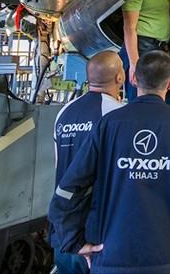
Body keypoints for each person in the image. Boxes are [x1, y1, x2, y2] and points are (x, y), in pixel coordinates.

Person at [48, 50, 170, 273]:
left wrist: (72, 240)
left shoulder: (108, 124)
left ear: (133, 79)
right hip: (167, 256)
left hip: (111, 256)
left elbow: (69, 186)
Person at [50, 51, 125, 274]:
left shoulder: (64, 113)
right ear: (119, 78)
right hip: (98, 232)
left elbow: (59, 166)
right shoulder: (118, 114)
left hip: (65, 230)